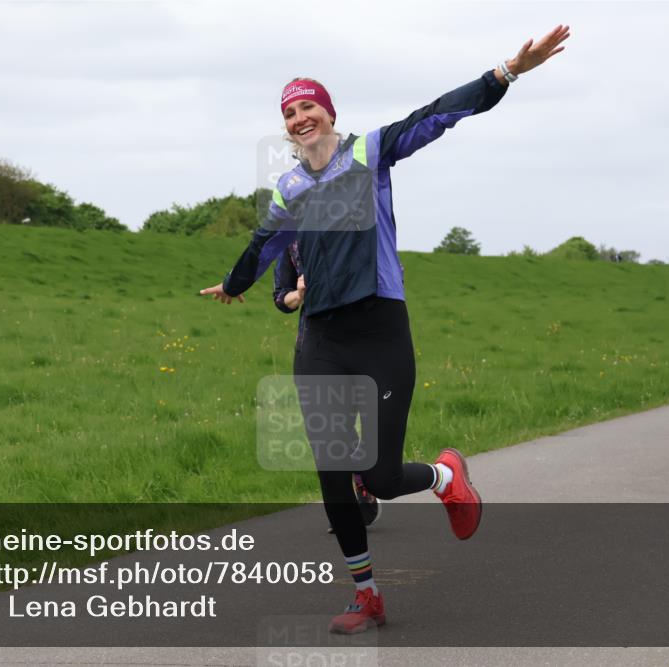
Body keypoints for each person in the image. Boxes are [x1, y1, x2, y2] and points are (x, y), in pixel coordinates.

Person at [201, 25, 570, 634]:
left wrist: (506, 72)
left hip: (379, 331)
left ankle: (447, 476)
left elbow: (438, 114)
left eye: (308, 106)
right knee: (331, 469)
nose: (299, 117)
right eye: (289, 111)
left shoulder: (371, 153)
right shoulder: (289, 187)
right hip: (320, 339)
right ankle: (366, 593)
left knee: (378, 476)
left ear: (329, 112)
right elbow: (264, 244)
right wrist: (235, 284)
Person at [272, 238, 381, 532]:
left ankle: (364, 479)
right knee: (325, 433)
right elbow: (281, 297)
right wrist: (299, 293)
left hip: (360, 343)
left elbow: (389, 276)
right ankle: (345, 509)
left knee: (347, 428)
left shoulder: (354, 230)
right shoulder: (290, 241)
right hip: (313, 346)